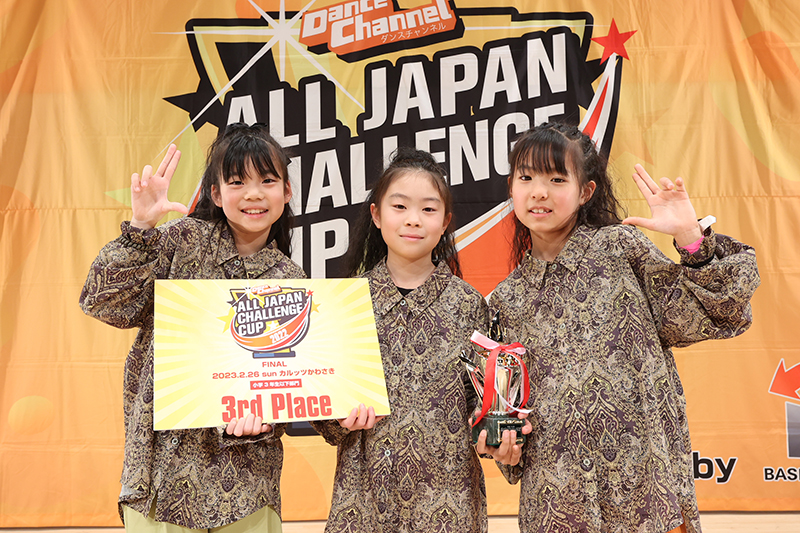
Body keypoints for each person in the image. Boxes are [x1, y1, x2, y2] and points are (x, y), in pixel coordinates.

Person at [483, 122, 759, 533]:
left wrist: (691, 238)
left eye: (556, 179)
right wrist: (504, 446)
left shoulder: (619, 248)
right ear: (511, 188)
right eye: (526, 178)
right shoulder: (506, 300)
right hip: (559, 504)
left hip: (647, 496)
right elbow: (506, 414)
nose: (539, 192)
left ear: (585, 192)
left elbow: (711, 312)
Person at [80, 123, 305, 532]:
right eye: (237, 182)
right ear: (216, 194)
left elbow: (289, 383)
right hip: (160, 480)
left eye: (268, 181)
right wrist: (140, 228)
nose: (254, 194)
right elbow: (103, 302)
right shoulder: (180, 241)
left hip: (248, 486)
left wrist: (268, 418)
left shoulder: (291, 280)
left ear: (286, 191)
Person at [311, 148, 490, 533]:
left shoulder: (469, 305)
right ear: (377, 215)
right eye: (399, 206)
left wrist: (493, 431)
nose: (413, 219)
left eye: (428, 209)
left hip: (448, 507)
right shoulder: (347, 302)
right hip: (364, 504)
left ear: (445, 221)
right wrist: (338, 419)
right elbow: (325, 414)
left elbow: (483, 406)